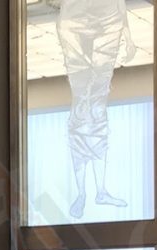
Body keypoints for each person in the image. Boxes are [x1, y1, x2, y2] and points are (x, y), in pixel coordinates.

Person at [55, 0, 136, 218]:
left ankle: (100, 190)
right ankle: (82, 192)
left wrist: (127, 34)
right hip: (74, 21)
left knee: (98, 106)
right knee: (81, 104)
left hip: (107, 19)